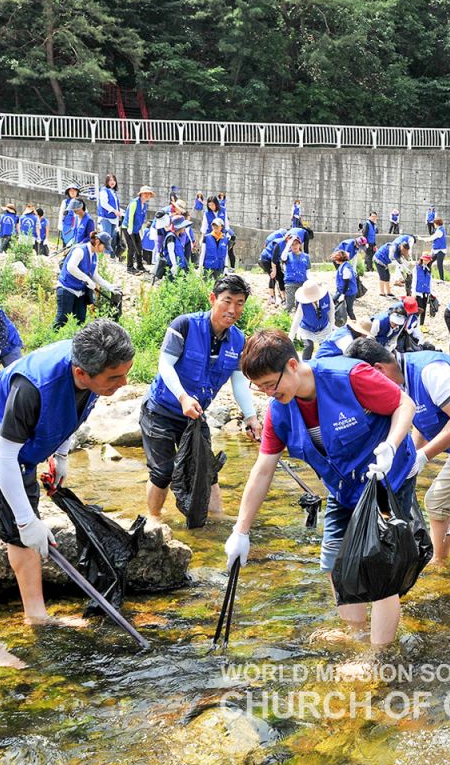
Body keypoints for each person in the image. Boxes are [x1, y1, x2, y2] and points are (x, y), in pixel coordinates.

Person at [0, 320, 133, 668]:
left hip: (19, 454)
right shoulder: (34, 386)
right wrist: (24, 520)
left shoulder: (93, 368)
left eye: (126, 374)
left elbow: (72, 414)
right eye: (115, 378)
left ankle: (36, 615)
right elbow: (3, 456)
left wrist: (60, 455)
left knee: (25, 537)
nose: (123, 384)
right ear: (81, 372)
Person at [226, 329, 419, 646]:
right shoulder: (279, 411)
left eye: (270, 384)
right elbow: (263, 470)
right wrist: (241, 531)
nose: (268, 393)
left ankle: (378, 657)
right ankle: (358, 637)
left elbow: (404, 404)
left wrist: (391, 446)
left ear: (292, 365)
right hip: (343, 489)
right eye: (259, 388)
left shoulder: (349, 377)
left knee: (379, 563)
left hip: (387, 477)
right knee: (334, 562)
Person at [348, 339, 450, 616]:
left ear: (377, 369)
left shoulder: (430, 371)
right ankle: (440, 561)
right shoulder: (399, 383)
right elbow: (425, 422)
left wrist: (424, 457)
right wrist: (410, 456)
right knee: (436, 501)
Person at [143, 274, 261, 522]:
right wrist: (183, 397)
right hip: (161, 410)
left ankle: (217, 519)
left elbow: (239, 382)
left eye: (239, 303)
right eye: (227, 301)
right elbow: (165, 365)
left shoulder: (238, 340)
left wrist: (251, 416)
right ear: (212, 299)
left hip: (195, 415)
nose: (233, 309)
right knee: (163, 471)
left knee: (207, 470)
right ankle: (154, 520)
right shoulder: (184, 325)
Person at [54, 231, 117, 328]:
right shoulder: (80, 250)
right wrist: (87, 280)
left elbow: (94, 275)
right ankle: (52, 337)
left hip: (80, 292)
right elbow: (71, 267)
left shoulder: (94, 256)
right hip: (67, 288)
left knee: (80, 321)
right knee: (62, 319)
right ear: (97, 242)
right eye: (104, 247)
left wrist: (109, 286)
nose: (104, 250)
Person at [290, 279, 334, 361]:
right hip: (307, 328)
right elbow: (296, 320)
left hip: (324, 327)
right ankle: (306, 364)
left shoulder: (326, 296)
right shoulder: (302, 304)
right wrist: (291, 338)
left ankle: (323, 364)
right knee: (308, 346)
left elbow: (331, 311)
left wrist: (332, 326)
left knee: (326, 348)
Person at [122, 186, 155, 274]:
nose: (147, 195)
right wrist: (130, 228)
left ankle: (139, 265)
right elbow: (130, 216)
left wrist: (140, 229)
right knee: (131, 247)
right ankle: (129, 267)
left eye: (149, 194)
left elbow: (142, 218)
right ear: (141, 194)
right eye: (145, 193)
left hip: (136, 229)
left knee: (139, 247)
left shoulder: (145, 205)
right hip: (128, 227)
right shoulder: (134, 202)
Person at [281, 233, 310, 312]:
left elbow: (308, 271)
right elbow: (283, 257)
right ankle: (285, 317)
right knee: (290, 305)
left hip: (302, 283)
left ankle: (298, 319)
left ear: (300, 244)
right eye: (292, 244)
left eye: (296, 243)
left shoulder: (306, 257)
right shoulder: (287, 255)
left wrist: (310, 282)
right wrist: (288, 245)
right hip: (290, 283)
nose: (294, 246)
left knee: (300, 305)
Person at [332, 248, 359, 325]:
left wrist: (343, 294)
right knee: (333, 301)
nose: (335, 261)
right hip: (343, 290)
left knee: (349, 310)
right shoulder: (344, 265)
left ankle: (355, 324)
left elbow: (346, 283)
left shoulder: (345, 269)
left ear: (339, 259)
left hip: (349, 292)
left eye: (335, 259)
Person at [97, 174, 121, 256]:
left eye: (114, 180)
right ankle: (105, 256)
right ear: (107, 181)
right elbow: (104, 203)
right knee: (106, 237)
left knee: (113, 237)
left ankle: (111, 256)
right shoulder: (104, 191)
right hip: (106, 218)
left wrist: (119, 212)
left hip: (114, 218)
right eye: (110, 180)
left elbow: (116, 205)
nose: (112, 182)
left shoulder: (113, 192)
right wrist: (114, 211)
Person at [426, 216, 448, 280]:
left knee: (439, 264)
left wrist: (422, 239)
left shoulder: (440, 231)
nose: (434, 225)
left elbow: (431, 238)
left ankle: (442, 279)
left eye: (434, 223)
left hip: (441, 250)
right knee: (429, 262)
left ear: (437, 223)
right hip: (436, 250)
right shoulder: (439, 229)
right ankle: (428, 277)